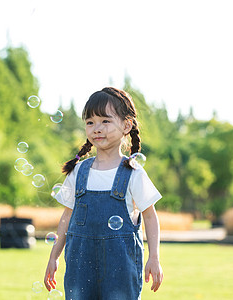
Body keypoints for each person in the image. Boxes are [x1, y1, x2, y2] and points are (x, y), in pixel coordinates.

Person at [44, 87, 163, 299]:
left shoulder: (133, 173)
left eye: (105, 121)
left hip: (121, 269)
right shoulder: (78, 171)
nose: (96, 128)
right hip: (80, 266)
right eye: (90, 122)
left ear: (127, 125)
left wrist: (154, 257)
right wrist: (54, 257)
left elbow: (150, 216)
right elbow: (67, 217)